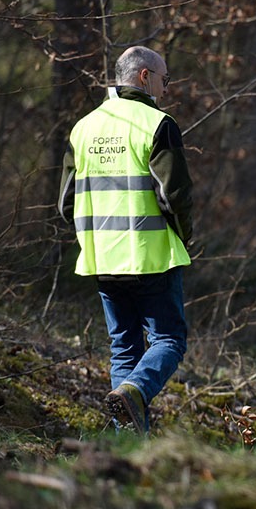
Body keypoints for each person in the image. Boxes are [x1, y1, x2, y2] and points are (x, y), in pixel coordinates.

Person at [58, 45, 194, 434]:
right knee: (169, 340)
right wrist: (185, 236)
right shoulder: (158, 123)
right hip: (150, 256)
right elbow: (174, 196)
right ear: (144, 77)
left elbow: (66, 204)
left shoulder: (84, 127)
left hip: (101, 259)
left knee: (124, 350)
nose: (166, 89)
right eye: (165, 79)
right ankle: (136, 389)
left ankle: (128, 447)